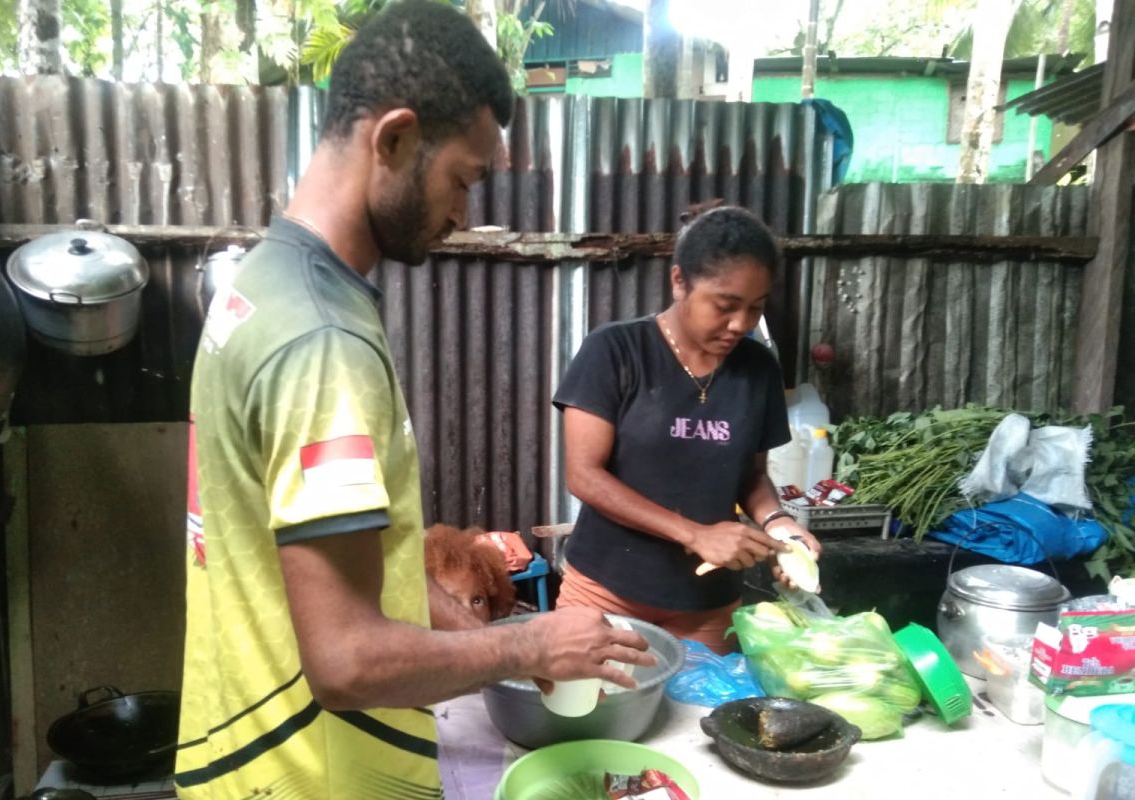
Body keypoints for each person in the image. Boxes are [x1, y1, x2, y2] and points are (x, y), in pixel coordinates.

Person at [175, 3, 653, 798]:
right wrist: (527, 647)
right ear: (394, 138)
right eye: (461, 178)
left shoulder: (264, 285)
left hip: (248, 751)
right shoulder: (321, 341)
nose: (464, 213)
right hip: (311, 775)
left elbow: (369, 562)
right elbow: (346, 660)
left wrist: (481, 636)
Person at [552, 205, 822, 656]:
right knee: (591, 713)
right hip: (606, 590)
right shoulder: (616, 351)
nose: (740, 324)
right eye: (725, 305)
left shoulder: (759, 369)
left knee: (695, 724)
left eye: (755, 308)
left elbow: (752, 477)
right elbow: (584, 475)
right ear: (679, 281)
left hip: (706, 607)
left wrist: (780, 525)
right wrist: (696, 534)